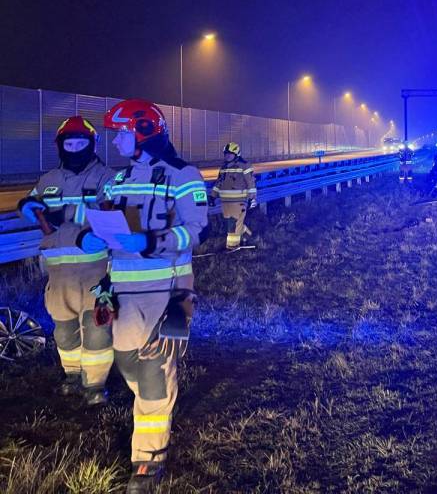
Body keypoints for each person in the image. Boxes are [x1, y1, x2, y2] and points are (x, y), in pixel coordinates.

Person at [78, 99, 208, 493]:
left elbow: (196, 231)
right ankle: (155, 404)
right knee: (127, 364)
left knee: (153, 373)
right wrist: (88, 237)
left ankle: (148, 460)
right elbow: (99, 220)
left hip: (166, 291)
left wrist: (150, 241)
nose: (115, 141)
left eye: (121, 133)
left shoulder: (183, 175)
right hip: (123, 292)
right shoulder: (117, 180)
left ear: (145, 133)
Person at [17, 116, 114, 405]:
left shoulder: (107, 178)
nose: (74, 149)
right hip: (58, 273)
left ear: (91, 144)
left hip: (94, 269)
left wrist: (70, 227)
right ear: (60, 146)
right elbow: (31, 203)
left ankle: (95, 385)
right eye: (68, 144)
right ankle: (72, 376)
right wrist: (27, 206)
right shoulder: (49, 179)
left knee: (97, 330)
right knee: (63, 331)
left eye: (80, 143)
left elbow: (112, 218)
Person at [210, 142, 257, 250]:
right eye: (226, 154)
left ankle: (233, 247)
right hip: (225, 201)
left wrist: (252, 198)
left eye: (230, 154)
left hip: (239, 200)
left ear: (236, 154)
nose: (227, 156)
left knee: (233, 224)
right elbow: (218, 183)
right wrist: (212, 196)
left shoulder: (244, 165)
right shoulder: (223, 167)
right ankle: (246, 234)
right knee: (229, 223)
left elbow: (251, 183)